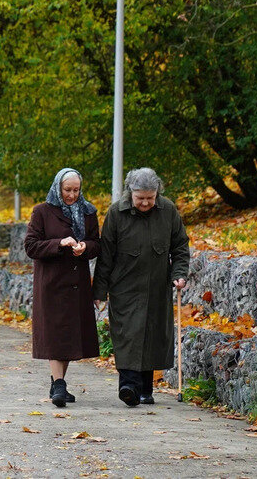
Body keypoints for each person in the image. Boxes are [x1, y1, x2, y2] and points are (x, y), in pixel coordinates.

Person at [92, 168, 190, 407]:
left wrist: (178, 275)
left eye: (150, 197)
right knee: (128, 334)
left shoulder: (168, 211)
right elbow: (106, 255)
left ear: (157, 193)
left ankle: (145, 390)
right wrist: (99, 291)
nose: (146, 202)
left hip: (157, 288)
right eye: (140, 198)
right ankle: (128, 386)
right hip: (124, 287)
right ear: (130, 194)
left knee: (151, 336)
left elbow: (180, 248)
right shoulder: (116, 213)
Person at [24, 168, 101, 407]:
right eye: (67, 190)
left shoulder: (88, 212)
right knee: (56, 335)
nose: (72, 195)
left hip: (77, 284)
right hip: (52, 283)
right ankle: (59, 384)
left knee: (69, 336)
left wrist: (84, 247)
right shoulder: (42, 212)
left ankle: (58, 383)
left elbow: (97, 245)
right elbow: (31, 246)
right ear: (58, 187)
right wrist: (60, 243)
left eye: (76, 190)